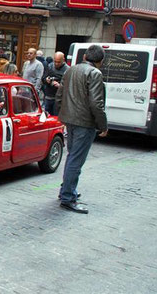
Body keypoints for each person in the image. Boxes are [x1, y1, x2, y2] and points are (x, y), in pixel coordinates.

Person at [56, 44, 108, 214]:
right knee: (75, 160)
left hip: (69, 119)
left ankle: (67, 190)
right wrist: (103, 125)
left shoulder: (70, 70)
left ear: (85, 56)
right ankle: (68, 196)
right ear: (100, 61)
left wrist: (61, 112)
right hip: (84, 123)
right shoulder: (95, 73)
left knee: (72, 157)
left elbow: (60, 94)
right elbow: (96, 103)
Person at [42, 51, 69, 116]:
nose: (56, 64)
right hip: (48, 96)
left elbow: (69, 86)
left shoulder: (67, 69)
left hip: (58, 99)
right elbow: (43, 78)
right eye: (55, 61)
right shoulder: (50, 66)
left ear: (63, 60)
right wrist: (46, 80)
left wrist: (60, 86)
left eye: (58, 62)